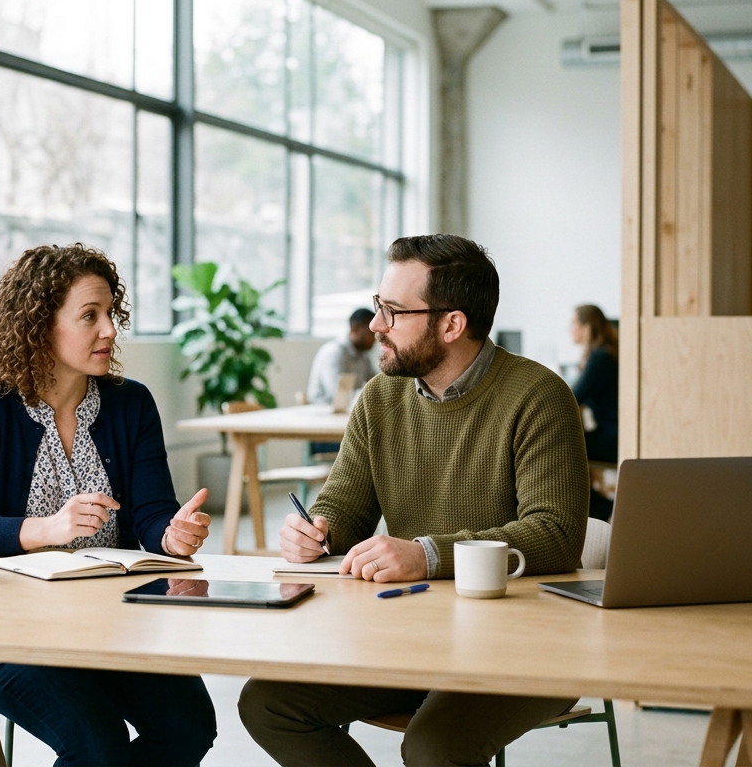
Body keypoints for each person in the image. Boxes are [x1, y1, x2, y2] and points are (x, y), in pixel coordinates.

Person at [237, 234, 589, 767]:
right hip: (410, 638)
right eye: (379, 307)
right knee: (267, 703)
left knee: (432, 748)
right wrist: (314, 533)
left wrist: (425, 553)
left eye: (394, 311)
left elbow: (556, 536)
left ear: (451, 324)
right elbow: (344, 509)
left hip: (524, 647)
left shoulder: (539, 396)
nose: (376, 324)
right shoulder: (379, 398)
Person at [0, 243, 217, 767]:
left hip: (117, 618)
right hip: (9, 629)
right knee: (94, 742)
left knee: (189, 726)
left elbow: (152, 512)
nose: (109, 329)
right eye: (90, 316)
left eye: (111, 314)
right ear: (39, 325)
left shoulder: (131, 404)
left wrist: (171, 535)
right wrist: (44, 530)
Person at [570, 304, 618, 522]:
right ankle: (596, 510)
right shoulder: (606, 353)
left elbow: (572, 397)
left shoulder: (600, 358)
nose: (570, 329)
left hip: (612, 438)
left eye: (574, 324)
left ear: (587, 327)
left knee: (566, 447)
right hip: (611, 433)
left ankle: (594, 511)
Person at [305, 308, 377, 405]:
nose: (376, 339)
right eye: (372, 333)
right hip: (322, 411)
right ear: (355, 328)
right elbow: (339, 395)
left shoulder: (363, 355)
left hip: (346, 411)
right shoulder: (333, 353)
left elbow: (375, 384)